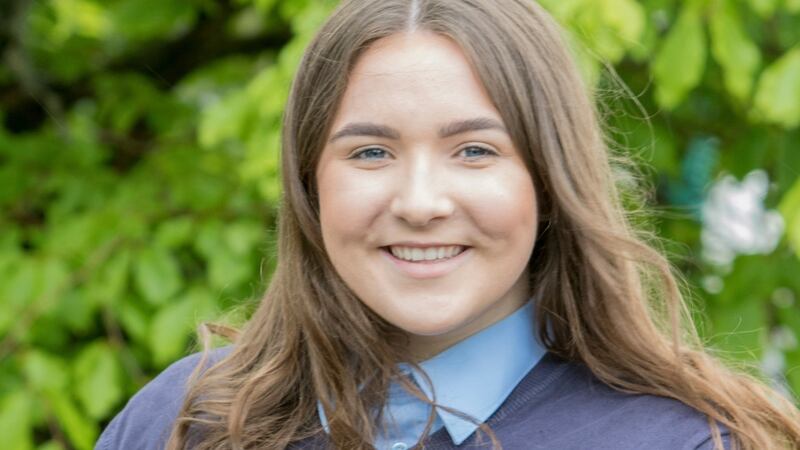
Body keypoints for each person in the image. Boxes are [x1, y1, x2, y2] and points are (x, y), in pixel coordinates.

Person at [95, 1, 800, 449]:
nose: (422, 201)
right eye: (371, 151)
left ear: (549, 182)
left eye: (475, 151)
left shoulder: (684, 442)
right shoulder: (183, 421)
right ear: (310, 183)